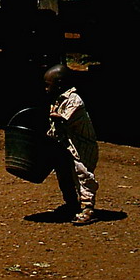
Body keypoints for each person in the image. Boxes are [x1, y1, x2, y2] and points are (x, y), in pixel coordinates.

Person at [44, 63, 99, 225]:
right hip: (67, 145)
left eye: (48, 85)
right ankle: (71, 204)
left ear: (59, 84)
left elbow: (63, 119)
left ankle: (88, 208)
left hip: (81, 147)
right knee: (63, 174)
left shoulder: (74, 100)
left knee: (83, 175)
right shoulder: (58, 98)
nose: (46, 89)